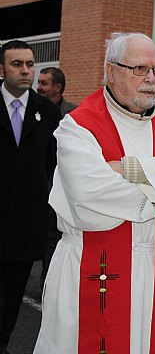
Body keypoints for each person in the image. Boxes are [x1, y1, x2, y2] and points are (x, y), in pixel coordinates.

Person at [21, 32, 155, 354]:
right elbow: (91, 196)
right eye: (140, 68)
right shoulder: (79, 125)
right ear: (111, 71)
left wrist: (130, 170)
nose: (151, 78)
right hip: (89, 267)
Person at [0, 40, 61, 354]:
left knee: (13, 291)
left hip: (26, 221)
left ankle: (2, 344)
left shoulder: (47, 111)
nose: (25, 70)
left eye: (29, 64)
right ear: (2, 69)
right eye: (16, 64)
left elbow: (52, 164)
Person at [36, 66, 78, 291]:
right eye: (39, 82)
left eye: (44, 83)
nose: (39, 87)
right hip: (39, 187)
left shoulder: (73, 114)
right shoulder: (33, 109)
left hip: (64, 189)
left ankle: (51, 288)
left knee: (55, 241)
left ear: (58, 87)